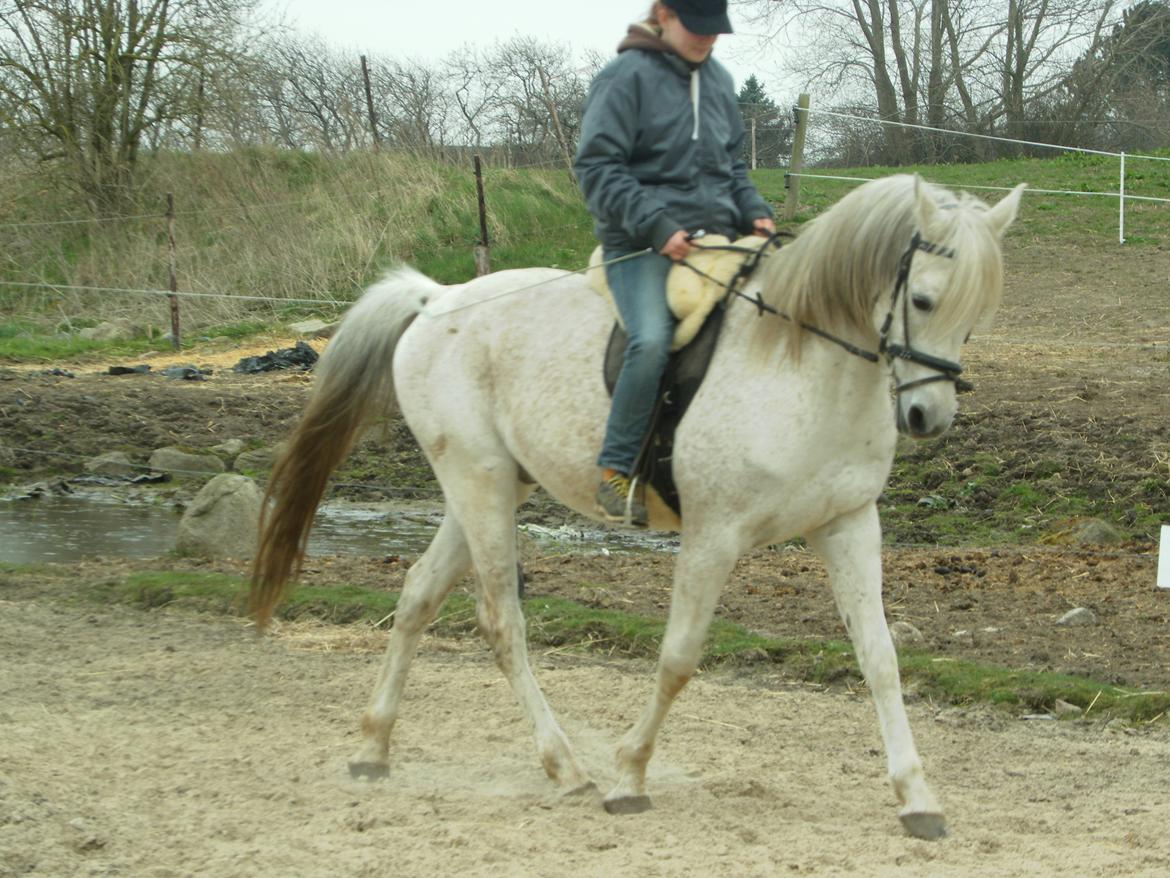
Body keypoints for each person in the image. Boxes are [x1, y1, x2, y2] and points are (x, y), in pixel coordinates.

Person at [574, 0, 775, 526]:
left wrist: (753, 211)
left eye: (716, 31)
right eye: (697, 27)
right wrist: (658, 226)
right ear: (663, 14)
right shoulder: (624, 79)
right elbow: (597, 167)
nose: (708, 40)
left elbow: (731, 165)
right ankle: (616, 469)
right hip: (639, 244)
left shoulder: (720, 80)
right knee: (651, 339)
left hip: (718, 239)